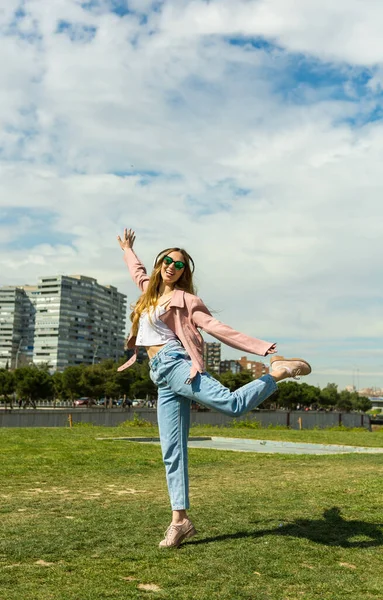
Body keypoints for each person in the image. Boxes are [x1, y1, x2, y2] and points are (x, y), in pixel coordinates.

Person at [117, 228, 312, 549]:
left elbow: (217, 328)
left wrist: (262, 349)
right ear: (158, 265)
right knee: (172, 451)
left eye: (178, 265)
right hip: (160, 377)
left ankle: (277, 373)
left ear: (183, 274)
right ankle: (179, 522)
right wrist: (127, 249)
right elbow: (137, 272)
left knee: (232, 405)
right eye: (166, 260)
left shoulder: (185, 300)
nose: (171, 266)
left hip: (176, 365)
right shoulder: (148, 294)